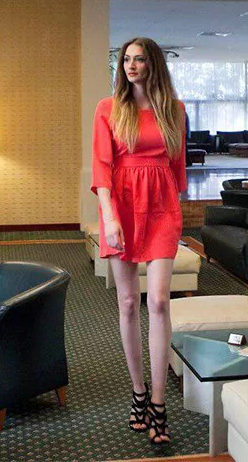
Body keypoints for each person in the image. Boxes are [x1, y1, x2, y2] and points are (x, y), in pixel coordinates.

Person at [91, 37, 186, 446]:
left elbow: (177, 167)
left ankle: (160, 406)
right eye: (126, 59)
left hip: (162, 204)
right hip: (122, 206)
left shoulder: (174, 109)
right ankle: (139, 393)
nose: (131, 65)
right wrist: (110, 218)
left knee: (159, 301)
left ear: (153, 64)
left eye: (139, 59)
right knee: (128, 302)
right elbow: (101, 167)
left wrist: (173, 210)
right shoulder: (109, 108)